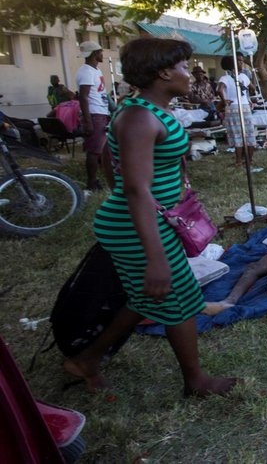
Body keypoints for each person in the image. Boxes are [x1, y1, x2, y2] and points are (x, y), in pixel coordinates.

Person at [64, 36, 237, 398]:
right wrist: (156, 256)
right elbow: (135, 190)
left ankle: (86, 361)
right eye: (183, 67)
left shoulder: (146, 110)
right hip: (137, 225)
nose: (189, 73)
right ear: (162, 73)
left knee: (151, 298)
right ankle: (196, 381)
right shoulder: (139, 117)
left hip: (148, 219)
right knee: (178, 299)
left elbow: (116, 166)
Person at [75, 40, 112, 190]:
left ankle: (103, 177)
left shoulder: (96, 70)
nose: (102, 54)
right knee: (94, 150)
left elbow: (101, 93)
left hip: (101, 112)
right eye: (100, 51)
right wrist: (88, 121)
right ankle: (91, 182)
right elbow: (83, 97)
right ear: (95, 53)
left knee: (102, 149)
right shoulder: (86, 72)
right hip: (94, 114)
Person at [218, 54, 258, 169]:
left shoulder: (225, 78)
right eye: (239, 61)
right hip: (245, 107)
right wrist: (254, 76)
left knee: (237, 135)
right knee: (249, 134)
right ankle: (249, 160)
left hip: (232, 108)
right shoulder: (244, 77)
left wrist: (224, 100)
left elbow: (220, 89)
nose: (241, 63)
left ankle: (239, 161)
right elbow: (253, 88)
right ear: (233, 65)